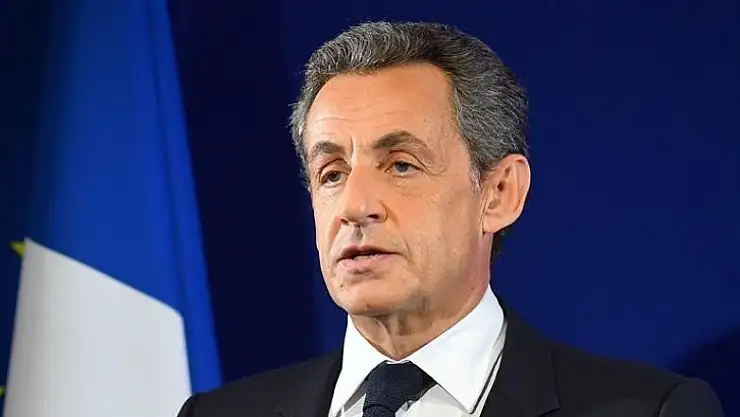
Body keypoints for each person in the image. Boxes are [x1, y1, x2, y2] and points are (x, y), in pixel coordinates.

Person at [177, 21, 723, 417]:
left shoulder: (649, 410)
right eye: (332, 172)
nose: (355, 206)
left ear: (500, 193)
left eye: (402, 165)